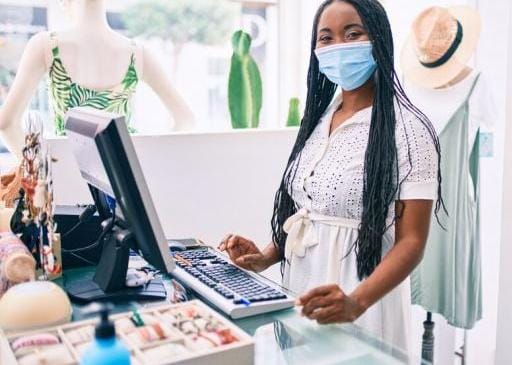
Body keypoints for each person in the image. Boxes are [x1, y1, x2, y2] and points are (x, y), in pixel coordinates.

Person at [219, 0, 442, 351]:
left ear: (379, 40)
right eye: (326, 38)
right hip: (303, 298)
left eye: (352, 34)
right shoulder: (321, 119)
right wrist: (265, 256)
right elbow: (311, 213)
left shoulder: (409, 129)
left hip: (361, 303)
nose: (338, 45)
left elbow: (412, 242)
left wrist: (356, 302)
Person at [0, 0, 195, 161]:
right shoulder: (138, 54)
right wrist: (149, 166)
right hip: (124, 189)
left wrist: (42, 176)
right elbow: (185, 119)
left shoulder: (46, 45)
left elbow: (7, 124)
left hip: (71, 189)